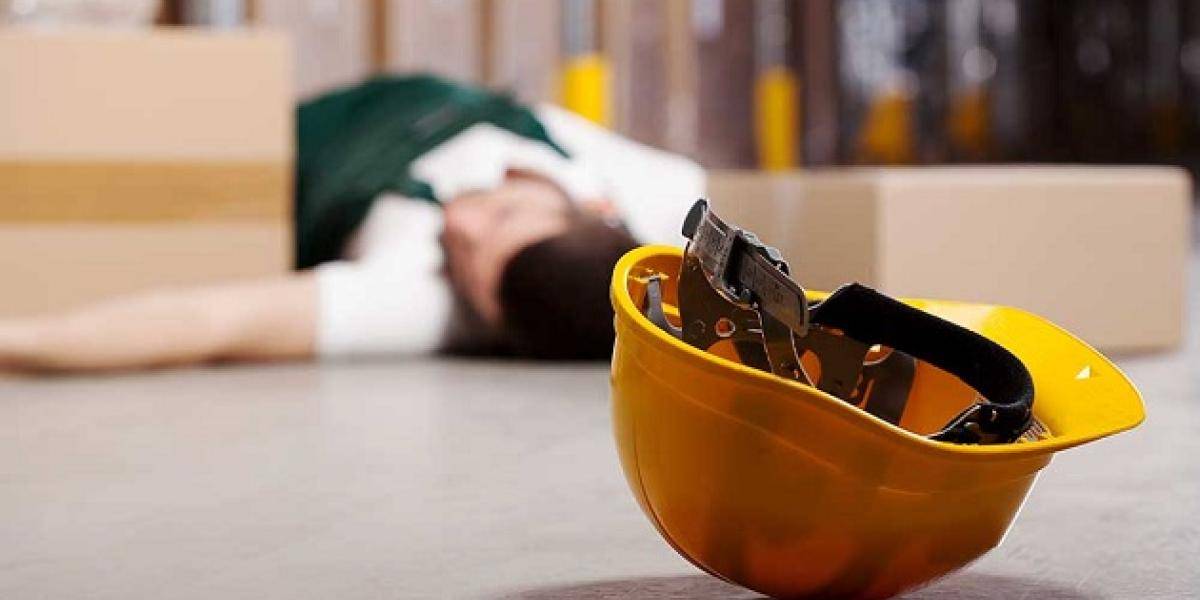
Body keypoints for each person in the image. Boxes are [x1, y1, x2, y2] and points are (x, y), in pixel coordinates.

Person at [0, 75, 703, 373]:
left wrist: (15, 341)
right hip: (405, 93)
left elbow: (211, 322)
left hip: (292, 150)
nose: (462, 224)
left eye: (469, 265)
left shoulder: (418, 303)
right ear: (594, 210)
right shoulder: (659, 190)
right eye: (503, 214)